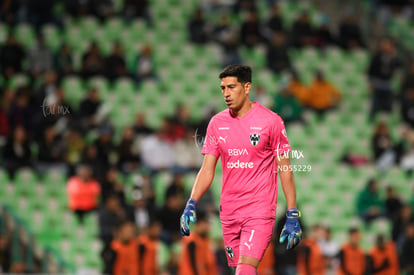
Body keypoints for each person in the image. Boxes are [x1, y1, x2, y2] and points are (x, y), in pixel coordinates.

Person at [180, 65, 302, 274]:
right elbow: (207, 169)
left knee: (244, 270)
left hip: (259, 210)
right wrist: (192, 202)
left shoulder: (271, 121)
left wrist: (292, 212)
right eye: (222, 88)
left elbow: (285, 169)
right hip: (229, 212)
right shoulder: (217, 123)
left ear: (247, 87)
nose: (226, 93)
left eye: (231, 87)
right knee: (238, 269)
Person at [367, 38, 401, 120]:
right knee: (375, 105)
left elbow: (399, 66)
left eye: (387, 45)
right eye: (384, 45)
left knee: (387, 106)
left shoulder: (393, 58)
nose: (386, 47)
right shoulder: (377, 57)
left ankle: (386, 122)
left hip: (387, 85)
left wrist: (394, 55)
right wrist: (371, 83)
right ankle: (372, 120)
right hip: (377, 84)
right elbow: (370, 71)